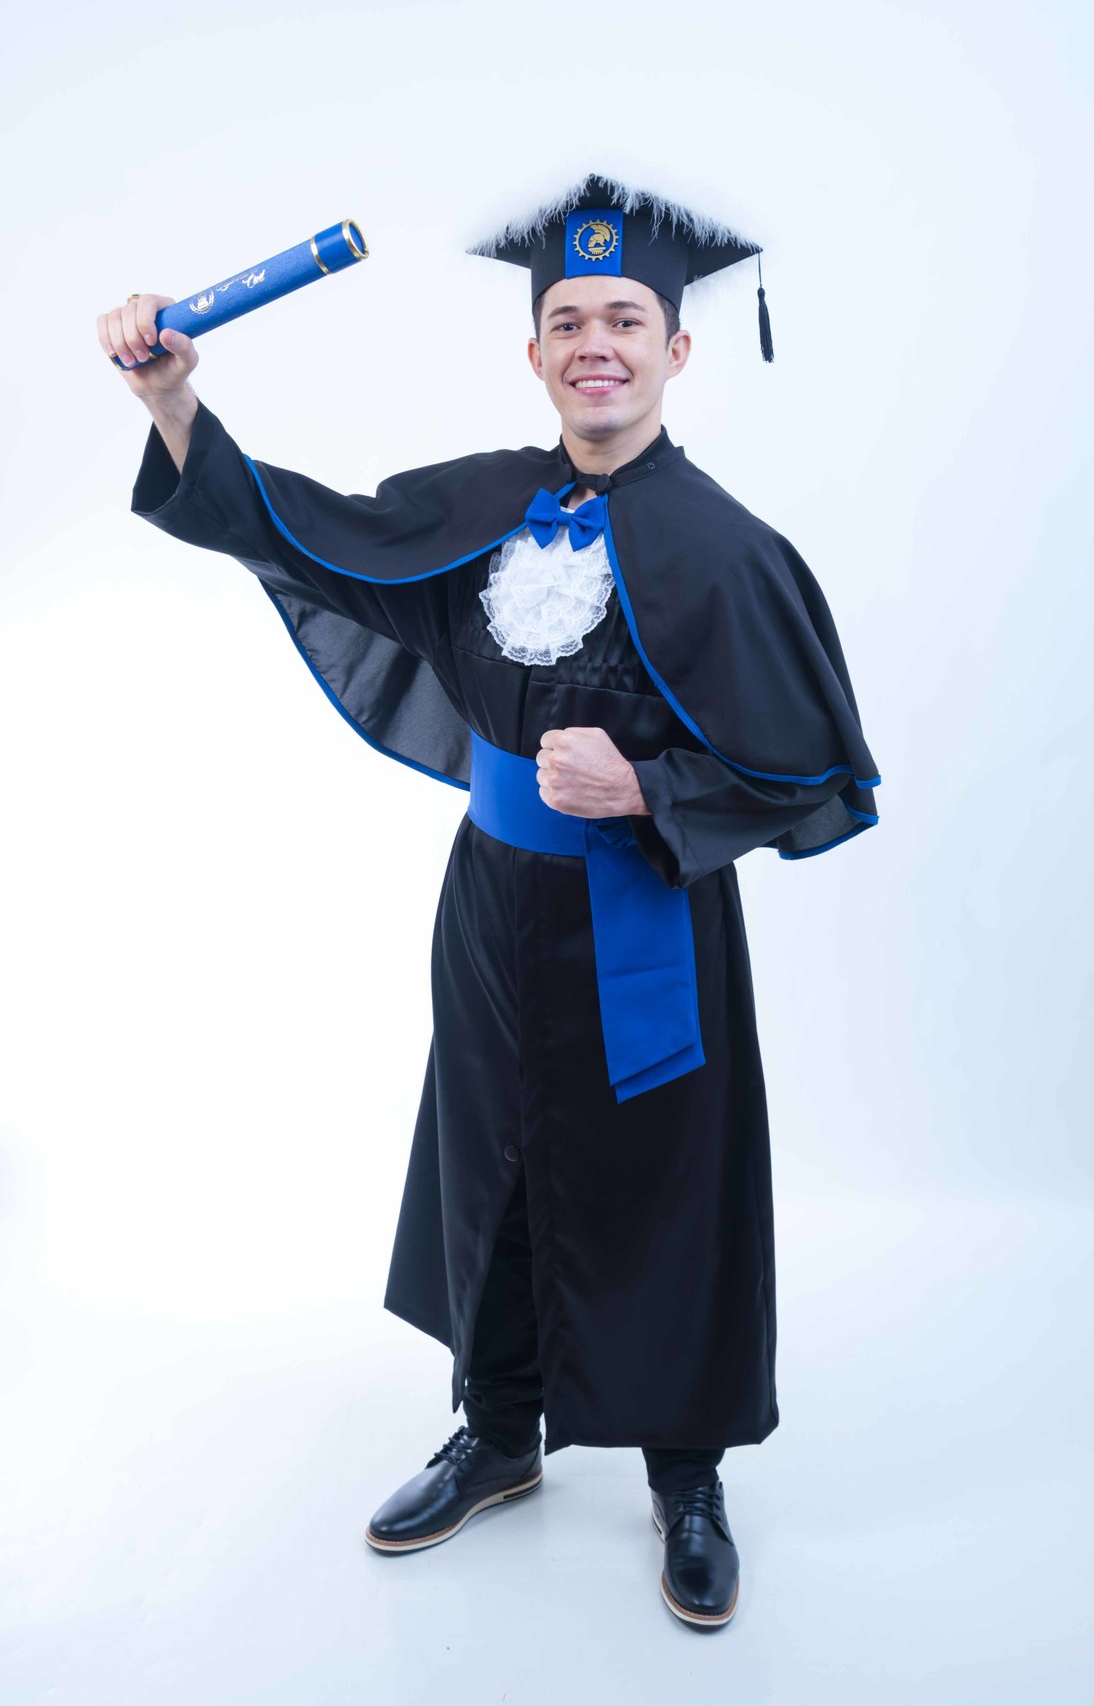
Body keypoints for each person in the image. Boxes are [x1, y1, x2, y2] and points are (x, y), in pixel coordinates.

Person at [98, 173, 881, 1631]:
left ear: (675, 349)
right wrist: (174, 403)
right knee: (494, 1158)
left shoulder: (731, 550)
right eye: (568, 322)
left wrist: (649, 790)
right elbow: (306, 534)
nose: (596, 345)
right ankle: (500, 1429)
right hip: (488, 905)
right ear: (534, 351)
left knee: (667, 1182)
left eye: (625, 320)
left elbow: (819, 773)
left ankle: (686, 1476)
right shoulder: (475, 510)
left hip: (649, 918)